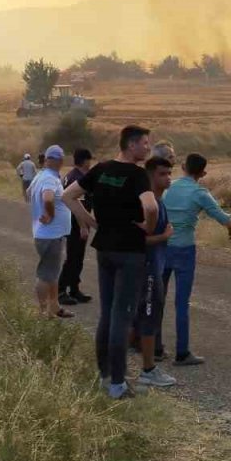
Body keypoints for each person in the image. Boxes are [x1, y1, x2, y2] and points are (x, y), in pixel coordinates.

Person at [62, 125, 158, 400]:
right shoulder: (138, 175)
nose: (147, 148)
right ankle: (117, 384)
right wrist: (147, 228)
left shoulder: (101, 169)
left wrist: (89, 221)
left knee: (107, 314)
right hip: (129, 251)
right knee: (122, 316)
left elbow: (67, 195)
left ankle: (104, 375)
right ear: (130, 145)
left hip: (104, 249)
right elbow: (151, 207)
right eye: (144, 143)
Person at [160, 153, 231, 366]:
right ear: (203, 173)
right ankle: (182, 351)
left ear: (183, 166)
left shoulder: (169, 187)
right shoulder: (199, 193)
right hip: (184, 249)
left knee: (158, 298)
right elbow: (221, 216)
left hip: (163, 247)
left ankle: (155, 346)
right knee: (181, 303)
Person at [136, 156, 178, 388]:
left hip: (156, 266)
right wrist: (163, 237)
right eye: (162, 174)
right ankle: (148, 369)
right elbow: (138, 240)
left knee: (147, 315)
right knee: (149, 317)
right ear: (151, 175)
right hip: (149, 269)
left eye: (169, 173)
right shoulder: (148, 204)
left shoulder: (159, 202)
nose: (168, 178)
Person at [30, 145, 75, 319]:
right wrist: (50, 214)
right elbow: (48, 197)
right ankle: (42, 313)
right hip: (49, 234)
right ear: (56, 160)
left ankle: (54, 307)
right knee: (45, 275)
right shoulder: (49, 178)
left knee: (52, 273)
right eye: (61, 158)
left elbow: (28, 194)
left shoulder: (40, 176)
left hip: (48, 233)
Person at [58, 148, 95, 306]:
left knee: (78, 256)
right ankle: (61, 290)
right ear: (85, 160)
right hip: (75, 223)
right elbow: (77, 203)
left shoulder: (70, 175)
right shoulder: (77, 178)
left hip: (73, 222)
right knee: (73, 257)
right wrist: (83, 226)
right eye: (90, 159)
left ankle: (74, 288)